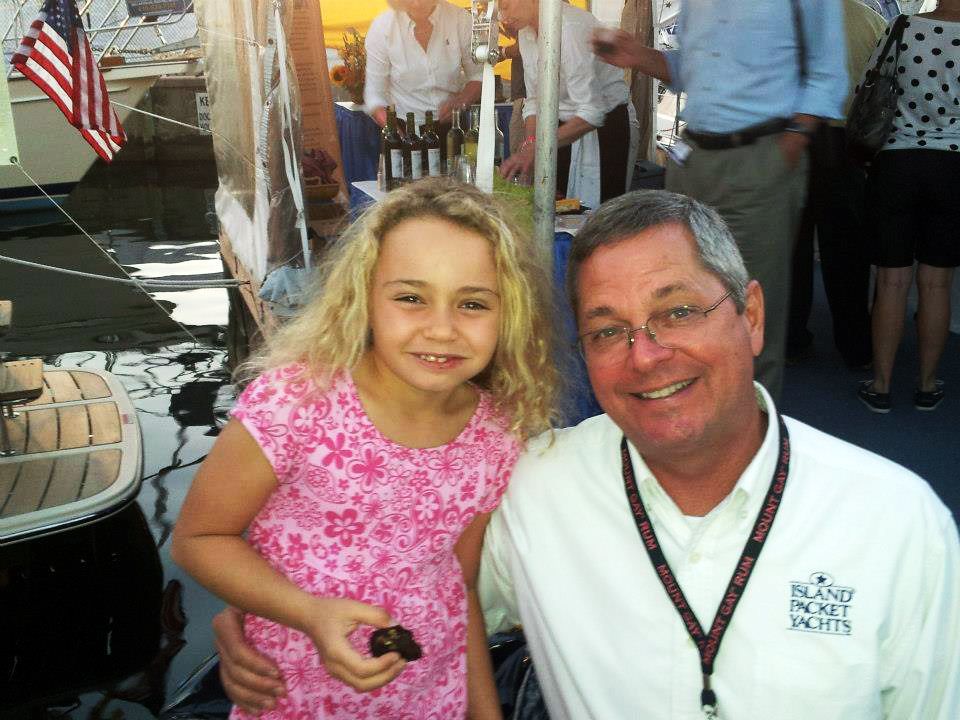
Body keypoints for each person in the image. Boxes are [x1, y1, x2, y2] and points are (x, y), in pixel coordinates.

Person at [211, 190, 960, 719]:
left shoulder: (898, 524)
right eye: (607, 331)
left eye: (678, 311)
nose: (647, 355)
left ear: (753, 316)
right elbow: (434, 582)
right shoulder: (532, 479)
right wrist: (263, 608)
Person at [171, 178, 561, 719]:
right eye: (410, 298)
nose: (441, 328)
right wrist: (307, 613)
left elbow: (458, 586)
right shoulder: (295, 405)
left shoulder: (497, 436)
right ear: (364, 299)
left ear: (509, 315)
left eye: (472, 304)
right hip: (297, 702)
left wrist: (486, 714)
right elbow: (199, 538)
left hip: (431, 701)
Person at [592, 0, 848, 401]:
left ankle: (752, 444)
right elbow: (694, 71)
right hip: (693, 159)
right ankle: (695, 416)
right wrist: (640, 57)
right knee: (684, 298)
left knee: (750, 310)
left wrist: (792, 142)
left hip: (760, 157)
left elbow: (828, 72)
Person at [856, 2, 960, 413]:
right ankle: (927, 384)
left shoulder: (902, 27)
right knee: (937, 284)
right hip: (953, 167)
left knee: (891, 282)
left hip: (897, 163)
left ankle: (881, 386)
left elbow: (868, 84)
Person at [787, 0, 887, 368]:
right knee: (847, 252)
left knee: (793, 247)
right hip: (847, 143)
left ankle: (791, 339)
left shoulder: (791, 17)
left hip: (794, 138)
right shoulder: (872, 20)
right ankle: (856, 346)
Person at [498, 0, 632, 206]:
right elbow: (534, 101)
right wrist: (531, 144)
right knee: (558, 204)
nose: (502, 17)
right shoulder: (525, 34)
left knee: (599, 212)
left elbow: (592, 112)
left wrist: (538, 148)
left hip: (605, 128)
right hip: (558, 129)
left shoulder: (571, 28)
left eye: (506, 5)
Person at [364, 0, 482, 130]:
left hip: (453, 127)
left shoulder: (460, 19)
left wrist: (461, 102)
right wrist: (394, 133)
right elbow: (374, 96)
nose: (417, 4)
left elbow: (479, 75)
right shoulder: (382, 27)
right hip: (404, 126)